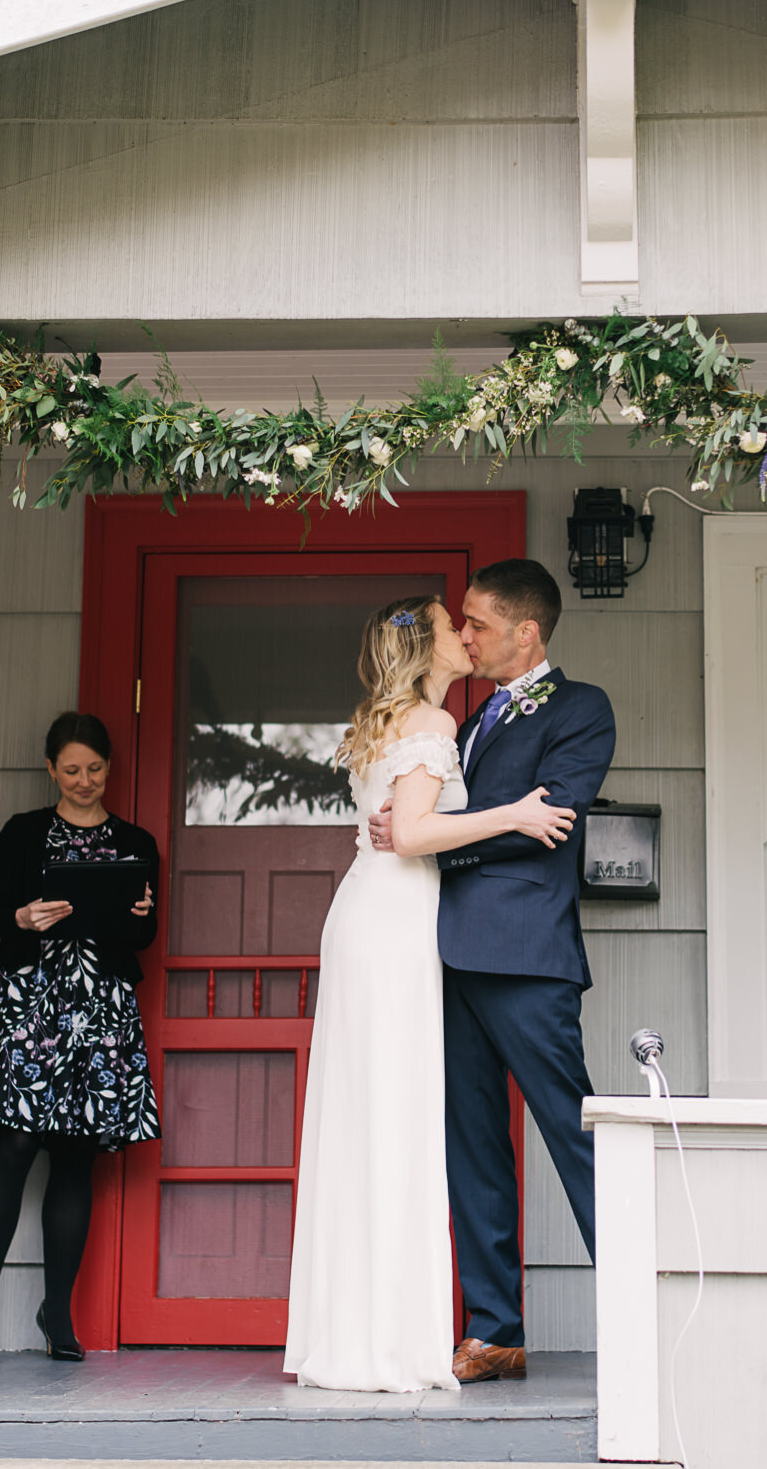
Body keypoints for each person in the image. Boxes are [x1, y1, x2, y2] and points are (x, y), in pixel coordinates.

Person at [285, 594, 576, 1392]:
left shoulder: (387, 722)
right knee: (396, 1119)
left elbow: (400, 826)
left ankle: (353, 1328)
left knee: (371, 1118)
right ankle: (385, 1340)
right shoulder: (433, 725)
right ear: (426, 646)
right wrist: (513, 813)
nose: (465, 633)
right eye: (454, 625)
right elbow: (412, 835)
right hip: (395, 920)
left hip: (369, 911)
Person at [366, 559, 616, 1384]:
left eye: (476, 623)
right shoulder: (464, 719)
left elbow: (553, 818)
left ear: (525, 632)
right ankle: (493, 1329)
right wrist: (405, 826)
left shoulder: (581, 708)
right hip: (445, 949)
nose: (464, 635)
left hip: (523, 953)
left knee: (574, 1135)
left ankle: (640, 1302)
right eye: (460, 623)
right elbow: (440, 816)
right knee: (472, 1144)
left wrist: (436, 826)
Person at [0, 712, 160, 1364]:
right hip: (29, 1006)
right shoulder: (22, 834)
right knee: (11, 1150)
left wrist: (139, 917)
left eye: (95, 769)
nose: (84, 781)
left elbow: (142, 939)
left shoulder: (135, 841)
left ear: (109, 769)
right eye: (70, 770)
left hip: (99, 1011)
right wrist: (22, 915)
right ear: (50, 770)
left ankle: (58, 1313)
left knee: (75, 1157)